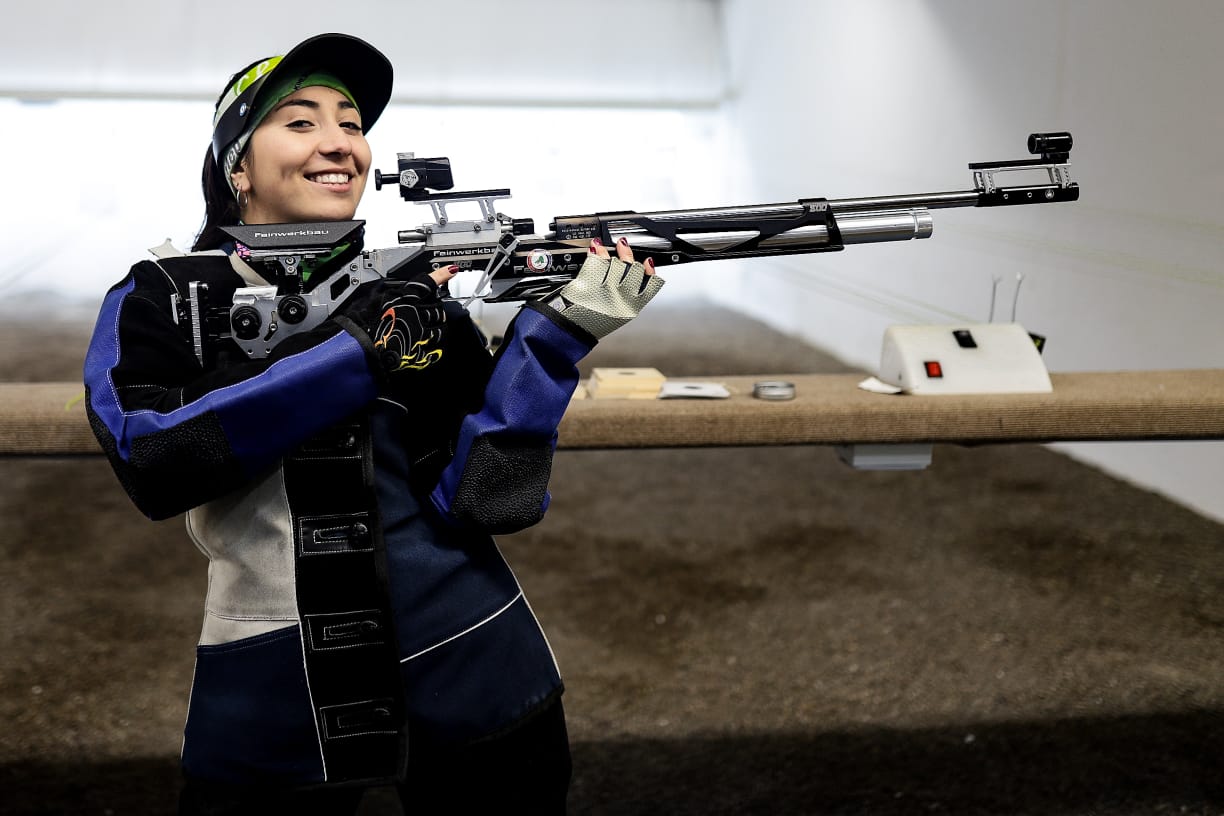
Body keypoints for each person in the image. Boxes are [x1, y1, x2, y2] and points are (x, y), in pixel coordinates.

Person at [82, 32, 663, 814]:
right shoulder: (163, 297)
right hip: (273, 685)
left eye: (352, 124)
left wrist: (554, 339)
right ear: (236, 169)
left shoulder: (412, 296)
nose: (340, 144)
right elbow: (154, 456)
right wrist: (358, 351)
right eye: (299, 121)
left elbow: (489, 500)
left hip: (474, 659)